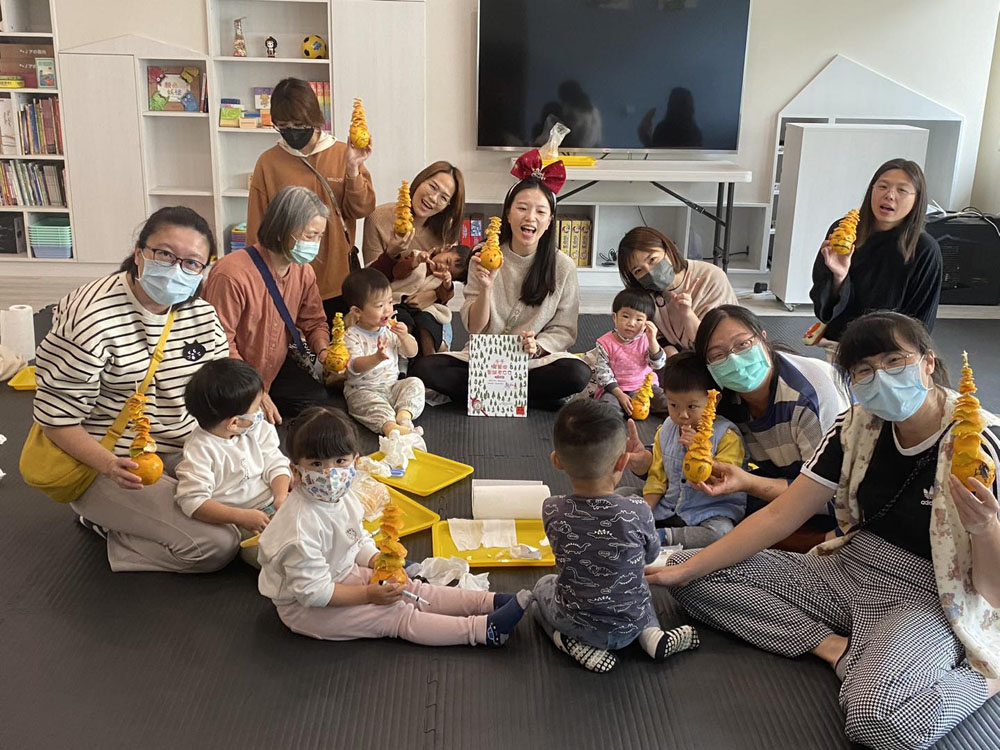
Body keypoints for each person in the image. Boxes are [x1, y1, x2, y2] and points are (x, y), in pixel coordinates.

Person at [646, 311, 1000, 750]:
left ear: (928, 362)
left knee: (878, 718)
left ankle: (986, 678)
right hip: (849, 565)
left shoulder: (981, 444)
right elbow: (781, 515)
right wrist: (685, 570)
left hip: (928, 592)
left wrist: (985, 526)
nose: (880, 377)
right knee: (689, 571)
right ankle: (833, 647)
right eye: (864, 370)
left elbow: (992, 591)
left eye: (894, 361)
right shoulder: (855, 426)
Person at [31, 207, 238, 573]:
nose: (176, 269)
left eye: (192, 263)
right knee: (216, 545)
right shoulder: (90, 318)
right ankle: (108, 526)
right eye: (164, 254)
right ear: (140, 252)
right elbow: (56, 420)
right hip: (108, 459)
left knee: (253, 506)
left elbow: (219, 392)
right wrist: (110, 466)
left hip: (183, 447)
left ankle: (142, 515)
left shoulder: (202, 315)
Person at [257, 406, 533, 647]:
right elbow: (315, 593)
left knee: (409, 588)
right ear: (296, 470)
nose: (330, 474)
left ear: (355, 461)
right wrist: (367, 594)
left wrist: (376, 559)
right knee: (393, 615)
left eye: (340, 462)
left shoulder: (343, 496)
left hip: (339, 572)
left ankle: (489, 602)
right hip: (305, 608)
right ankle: (483, 631)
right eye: (317, 464)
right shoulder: (299, 529)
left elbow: (356, 538)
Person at [532, 399, 700, 673]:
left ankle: (566, 641)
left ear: (556, 460)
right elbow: (651, 556)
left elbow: (563, 553)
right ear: (623, 461)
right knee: (638, 584)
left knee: (540, 589)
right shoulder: (638, 509)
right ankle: (652, 637)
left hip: (580, 625)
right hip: (631, 621)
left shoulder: (551, 508)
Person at [411, 151, 592, 405]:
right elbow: (474, 328)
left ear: (550, 221)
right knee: (426, 369)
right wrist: (486, 287)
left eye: (540, 212)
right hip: (485, 359)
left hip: (532, 362)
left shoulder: (563, 266)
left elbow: (564, 329)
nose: (530, 217)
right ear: (508, 214)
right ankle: (523, 396)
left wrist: (538, 346)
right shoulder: (483, 255)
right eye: (522, 208)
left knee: (577, 373)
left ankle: (493, 393)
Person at [203, 185, 333, 425]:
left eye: (319, 236)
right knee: (245, 426)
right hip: (233, 373)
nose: (315, 244)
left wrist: (325, 352)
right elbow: (220, 344)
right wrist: (256, 392)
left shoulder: (303, 271)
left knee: (317, 404)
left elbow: (314, 321)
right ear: (282, 231)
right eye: (309, 236)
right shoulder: (231, 274)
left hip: (273, 368)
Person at [247, 77, 376, 318]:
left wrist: (353, 169)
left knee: (338, 339)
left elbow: (362, 209)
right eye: (283, 126)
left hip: (337, 279)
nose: (292, 132)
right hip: (286, 280)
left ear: (315, 119)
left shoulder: (342, 154)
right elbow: (257, 226)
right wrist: (256, 280)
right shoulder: (268, 162)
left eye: (298, 125)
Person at [174, 359, 291, 567]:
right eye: (257, 407)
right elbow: (193, 501)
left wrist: (281, 495)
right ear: (234, 422)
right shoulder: (200, 450)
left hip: (274, 501)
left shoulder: (257, 429)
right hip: (242, 521)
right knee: (275, 558)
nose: (260, 412)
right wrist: (241, 517)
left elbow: (275, 462)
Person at [811, 159, 942, 343]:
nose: (889, 195)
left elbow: (921, 324)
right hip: (841, 342)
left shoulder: (925, 249)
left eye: (902, 190)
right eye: (882, 186)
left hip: (891, 348)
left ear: (917, 200)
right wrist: (839, 278)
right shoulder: (843, 232)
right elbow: (824, 309)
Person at [642, 352, 746, 547]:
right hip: (669, 505)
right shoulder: (666, 429)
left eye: (692, 406)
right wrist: (644, 510)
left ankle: (663, 537)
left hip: (707, 512)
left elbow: (725, 480)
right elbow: (657, 476)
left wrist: (697, 451)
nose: (682, 414)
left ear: (713, 400)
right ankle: (645, 528)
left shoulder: (727, 435)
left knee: (722, 533)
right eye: (673, 405)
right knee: (624, 493)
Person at [617, 226, 738, 357]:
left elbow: (718, 338)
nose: (650, 272)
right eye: (638, 271)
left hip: (721, 353)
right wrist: (669, 353)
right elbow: (646, 338)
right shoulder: (641, 294)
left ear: (667, 249)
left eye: (652, 260)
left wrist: (687, 313)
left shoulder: (711, 277)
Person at [341, 268, 424, 436]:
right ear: (357, 311)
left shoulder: (389, 330)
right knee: (367, 404)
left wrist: (404, 337)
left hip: (392, 385)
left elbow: (412, 352)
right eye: (380, 306)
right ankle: (391, 427)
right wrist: (376, 357)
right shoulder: (351, 335)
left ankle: (404, 416)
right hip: (363, 389)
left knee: (415, 383)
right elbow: (354, 366)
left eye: (390, 302)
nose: (387, 310)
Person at [590, 288, 667, 417]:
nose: (631, 323)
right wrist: (620, 395)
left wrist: (653, 340)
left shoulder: (647, 340)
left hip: (644, 386)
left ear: (647, 323)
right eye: (626, 316)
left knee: (667, 401)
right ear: (615, 317)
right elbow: (603, 374)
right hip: (615, 389)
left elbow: (658, 365)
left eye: (639, 320)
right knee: (607, 410)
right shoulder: (605, 343)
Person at [388, 244, 471, 356]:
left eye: (449, 271)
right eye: (447, 261)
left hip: (422, 310)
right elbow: (397, 272)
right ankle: (401, 353)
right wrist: (415, 261)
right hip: (398, 302)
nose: (443, 267)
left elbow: (445, 296)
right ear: (445, 249)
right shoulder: (417, 256)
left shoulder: (441, 280)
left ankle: (429, 357)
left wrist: (447, 283)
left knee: (427, 324)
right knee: (405, 322)